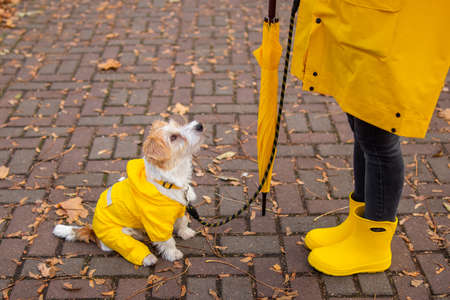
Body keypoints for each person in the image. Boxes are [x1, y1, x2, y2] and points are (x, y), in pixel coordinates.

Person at [290, 0, 449, 276]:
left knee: (378, 139)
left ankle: (373, 242)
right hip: (362, 20)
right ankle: (359, 224)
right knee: (362, 126)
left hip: (392, 27)